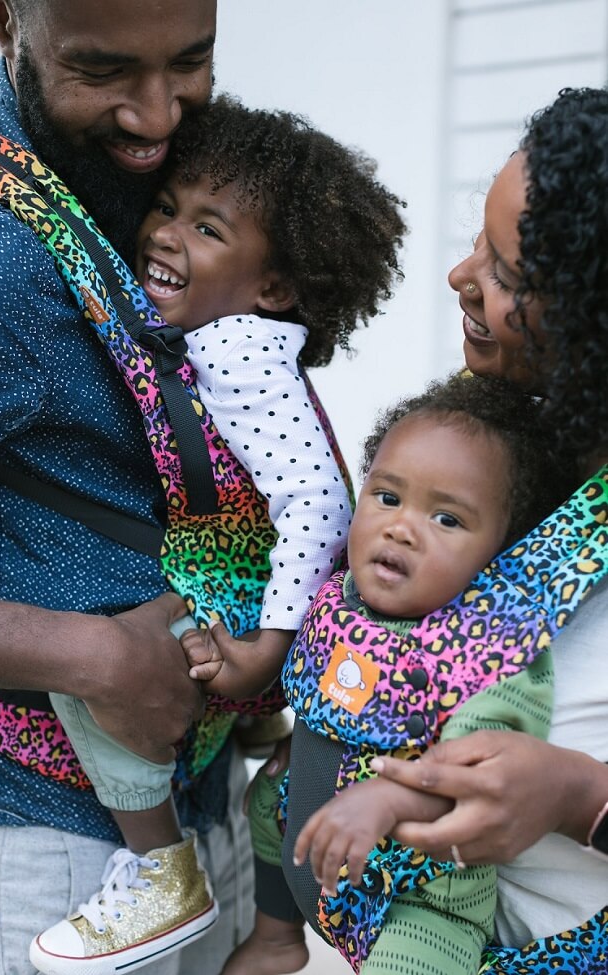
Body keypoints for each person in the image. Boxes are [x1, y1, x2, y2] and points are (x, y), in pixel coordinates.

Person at [29, 94, 407, 974]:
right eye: (167, 208)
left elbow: (315, 501)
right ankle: (261, 734)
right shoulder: (241, 334)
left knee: (97, 664)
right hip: (250, 575)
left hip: (251, 591)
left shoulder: (235, 347)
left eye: (208, 229)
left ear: (272, 285)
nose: (166, 234)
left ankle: (161, 863)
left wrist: (269, 643)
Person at [0, 3, 272, 975]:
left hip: (200, 814)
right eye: (104, 72)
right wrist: (86, 652)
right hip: (52, 854)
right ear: (6, 15)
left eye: (190, 62)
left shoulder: (142, 186)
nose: (154, 116)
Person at [186, 370, 579, 975]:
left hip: (416, 898)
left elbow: (484, 774)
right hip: (315, 838)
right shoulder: (340, 597)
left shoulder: (493, 646)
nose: (401, 526)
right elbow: (333, 690)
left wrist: (389, 798)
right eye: (388, 497)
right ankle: (276, 936)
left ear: (500, 552)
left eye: (447, 520)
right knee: (264, 801)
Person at [354, 85, 608, 970]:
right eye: (480, 242)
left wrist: (580, 796)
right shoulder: (506, 458)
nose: (461, 278)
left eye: (506, 273)